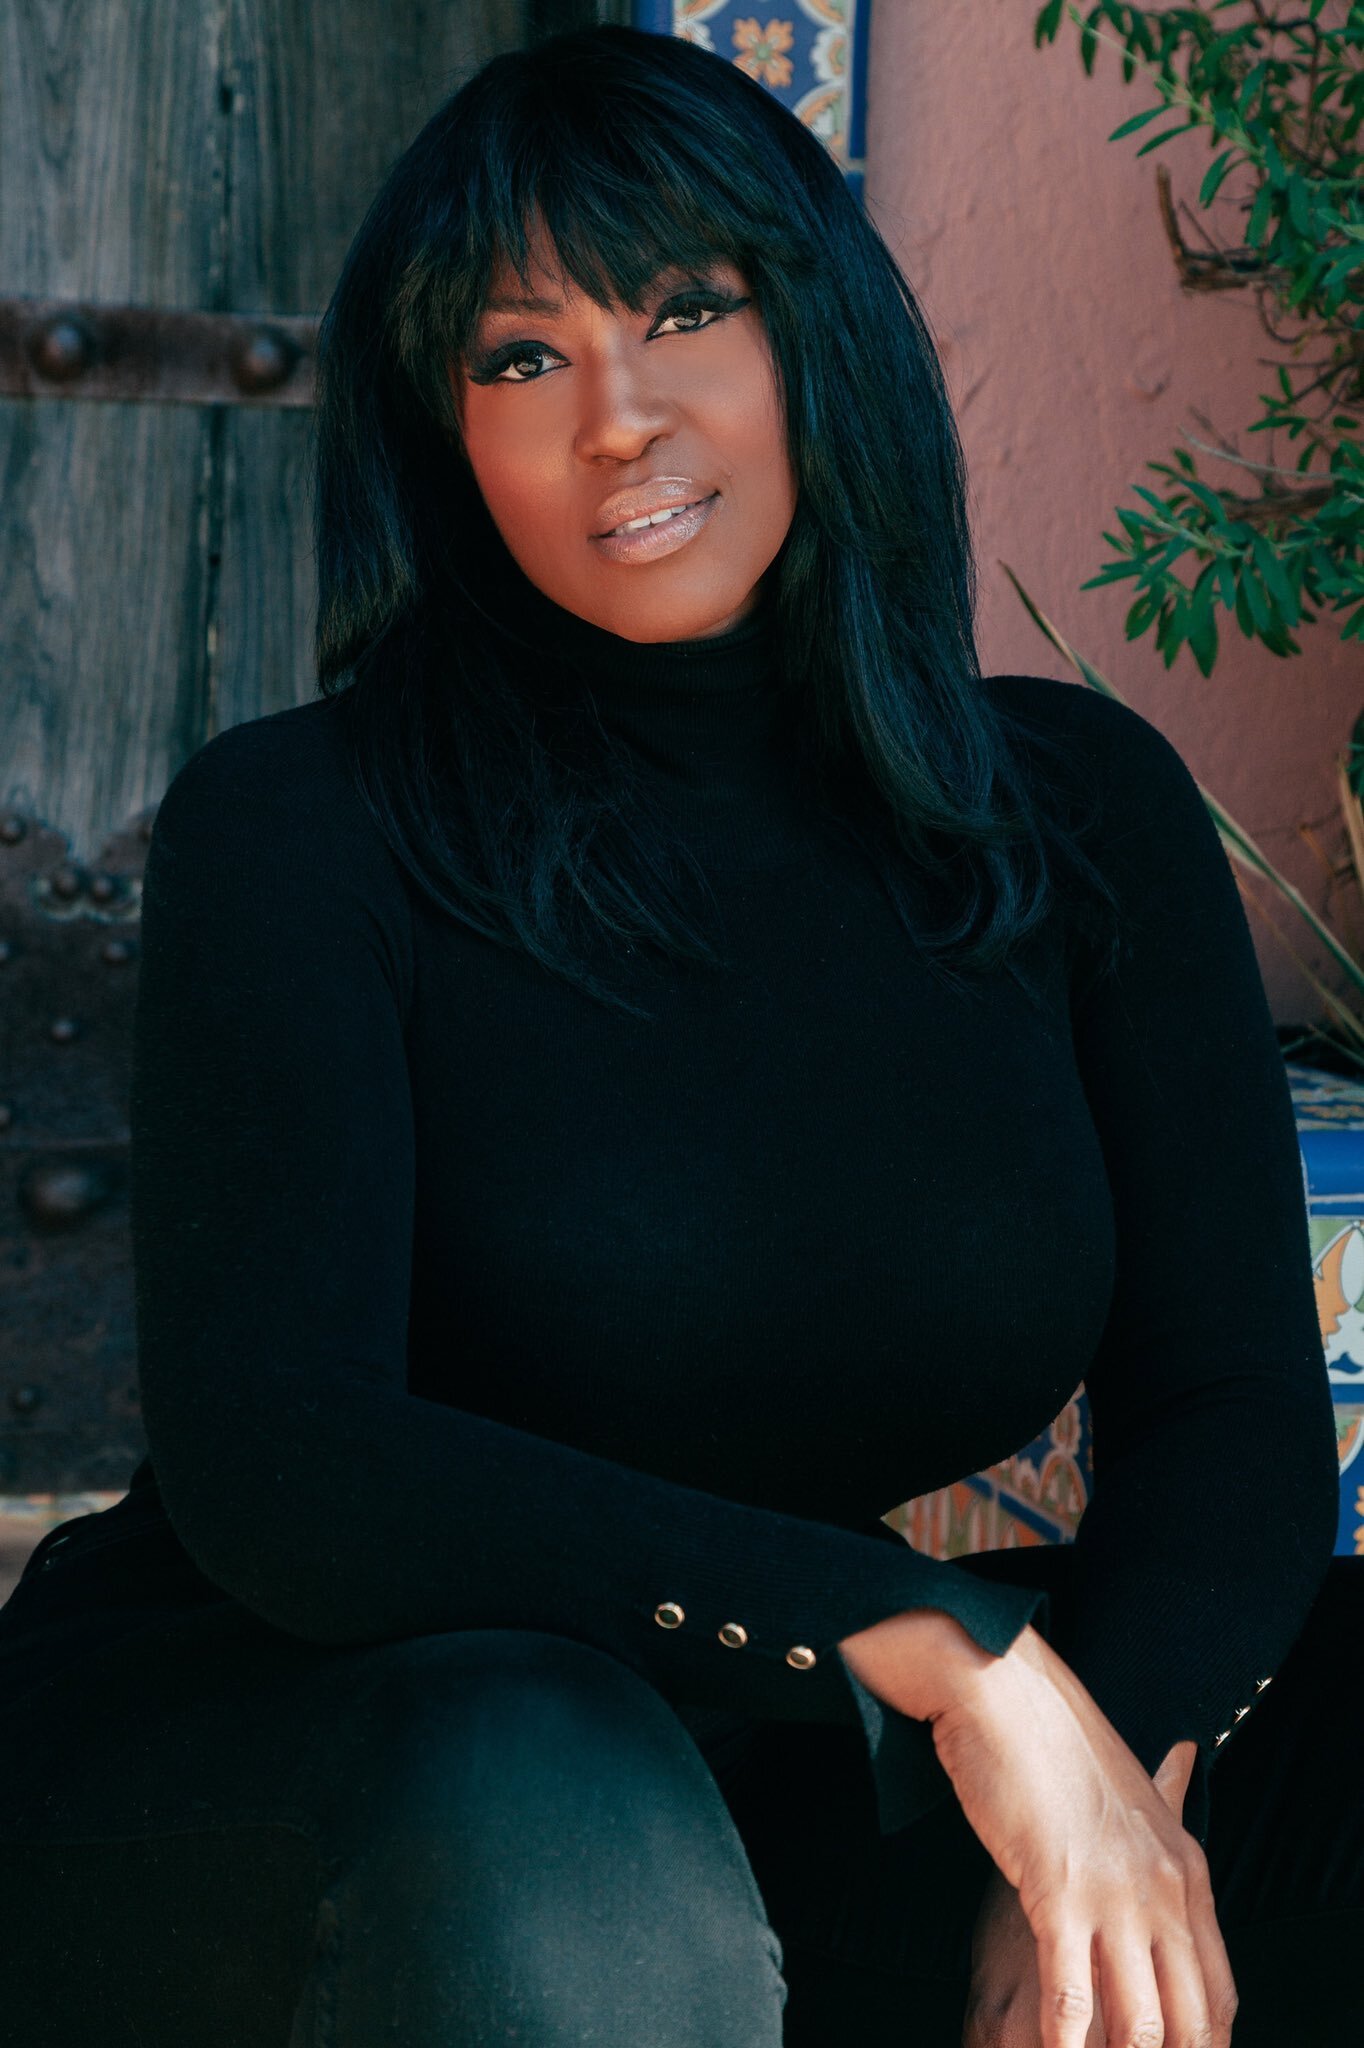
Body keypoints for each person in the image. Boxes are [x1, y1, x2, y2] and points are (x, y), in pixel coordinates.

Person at [0, 22, 1357, 2046]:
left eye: (683, 312)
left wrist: (1109, 1800)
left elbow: (1231, 1411)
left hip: (774, 1746)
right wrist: (935, 1645)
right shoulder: (304, 827)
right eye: (519, 357)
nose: (618, 420)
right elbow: (285, 1459)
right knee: (556, 1782)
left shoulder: (1069, 812)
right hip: (320, 1755)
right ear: (446, 434)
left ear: (810, 334)